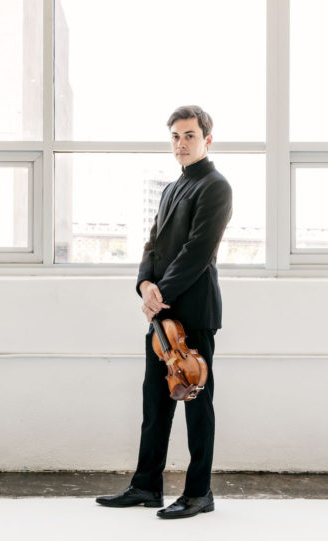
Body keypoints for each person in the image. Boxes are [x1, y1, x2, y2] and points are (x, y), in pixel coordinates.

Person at [96, 105, 233, 519]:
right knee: (155, 402)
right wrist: (143, 284)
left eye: (189, 135)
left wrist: (160, 294)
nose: (181, 143)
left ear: (206, 140)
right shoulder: (172, 188)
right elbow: (153, 245)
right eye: (175, 136)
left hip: (193, 311)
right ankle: (146, 486)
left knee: (196, 404)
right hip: (163, 317)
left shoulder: (216, 186)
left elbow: (198, 252)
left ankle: (199, 493)